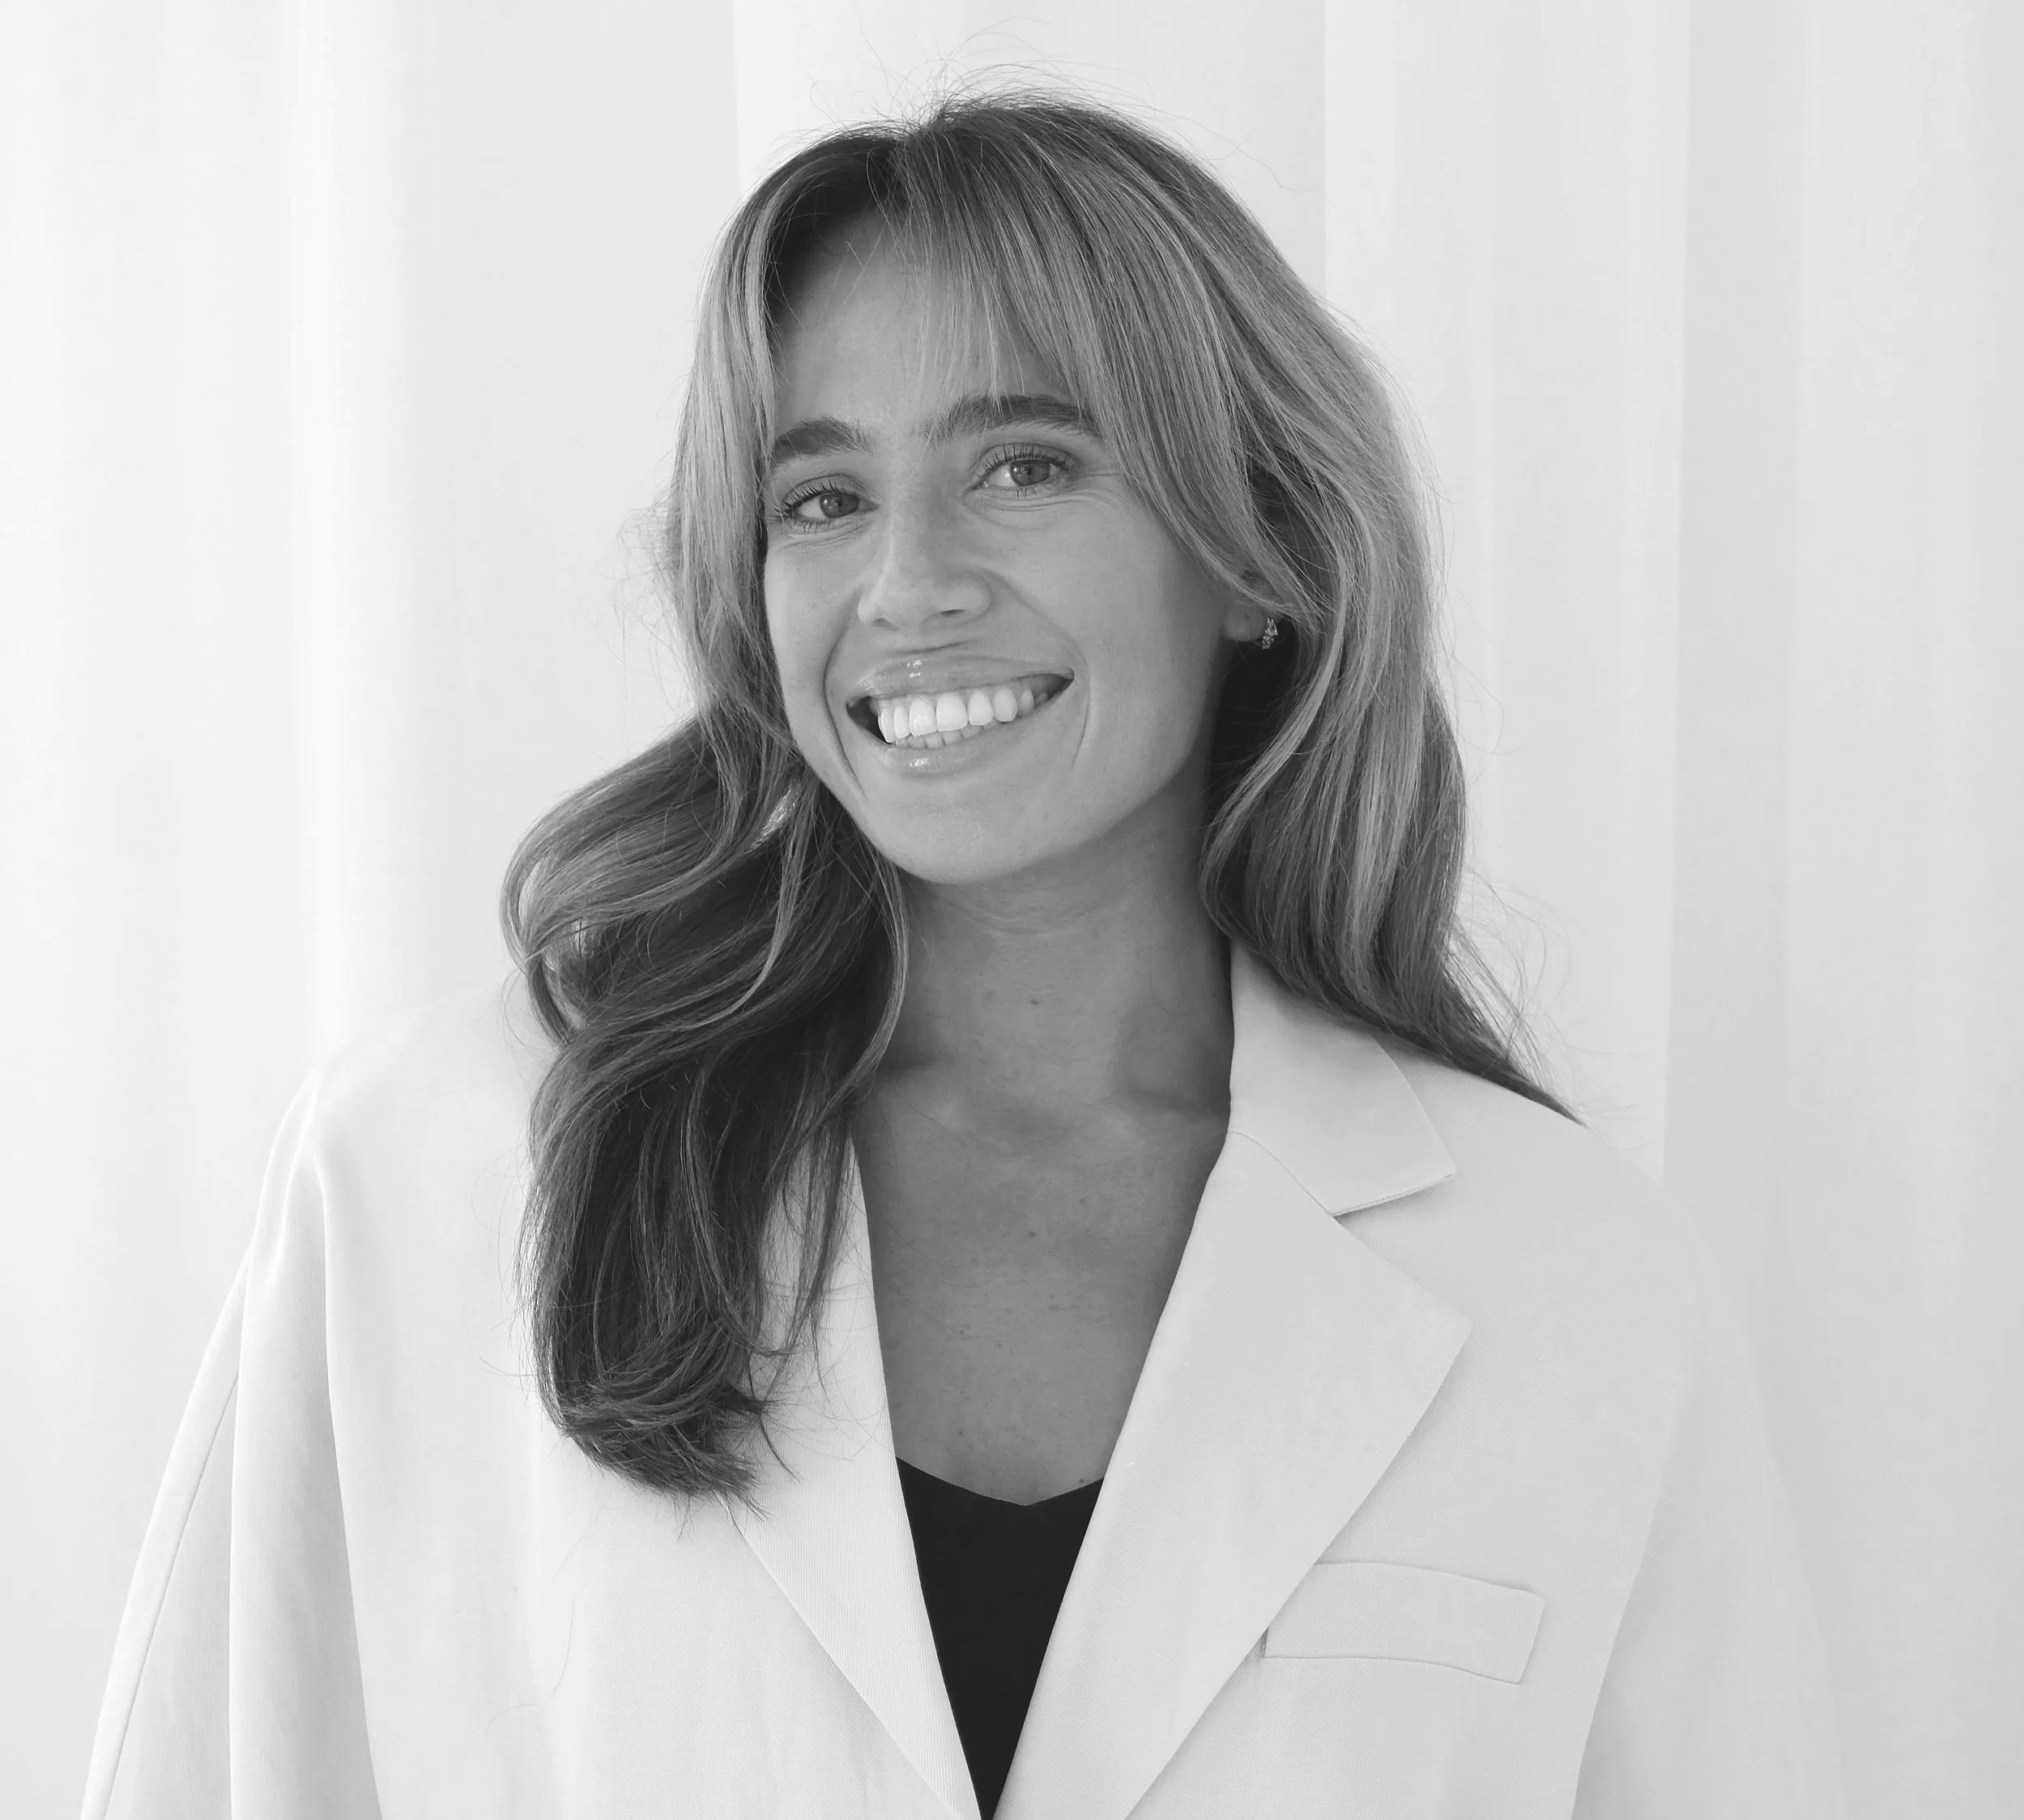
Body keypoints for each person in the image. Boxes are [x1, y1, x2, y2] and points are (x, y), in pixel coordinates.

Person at [83, 92, 1845, 1819]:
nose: (908, 582)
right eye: (823, 498)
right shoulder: (432, 1168)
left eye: (1024, 464)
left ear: (1258, 553)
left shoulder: (1577, 1284)